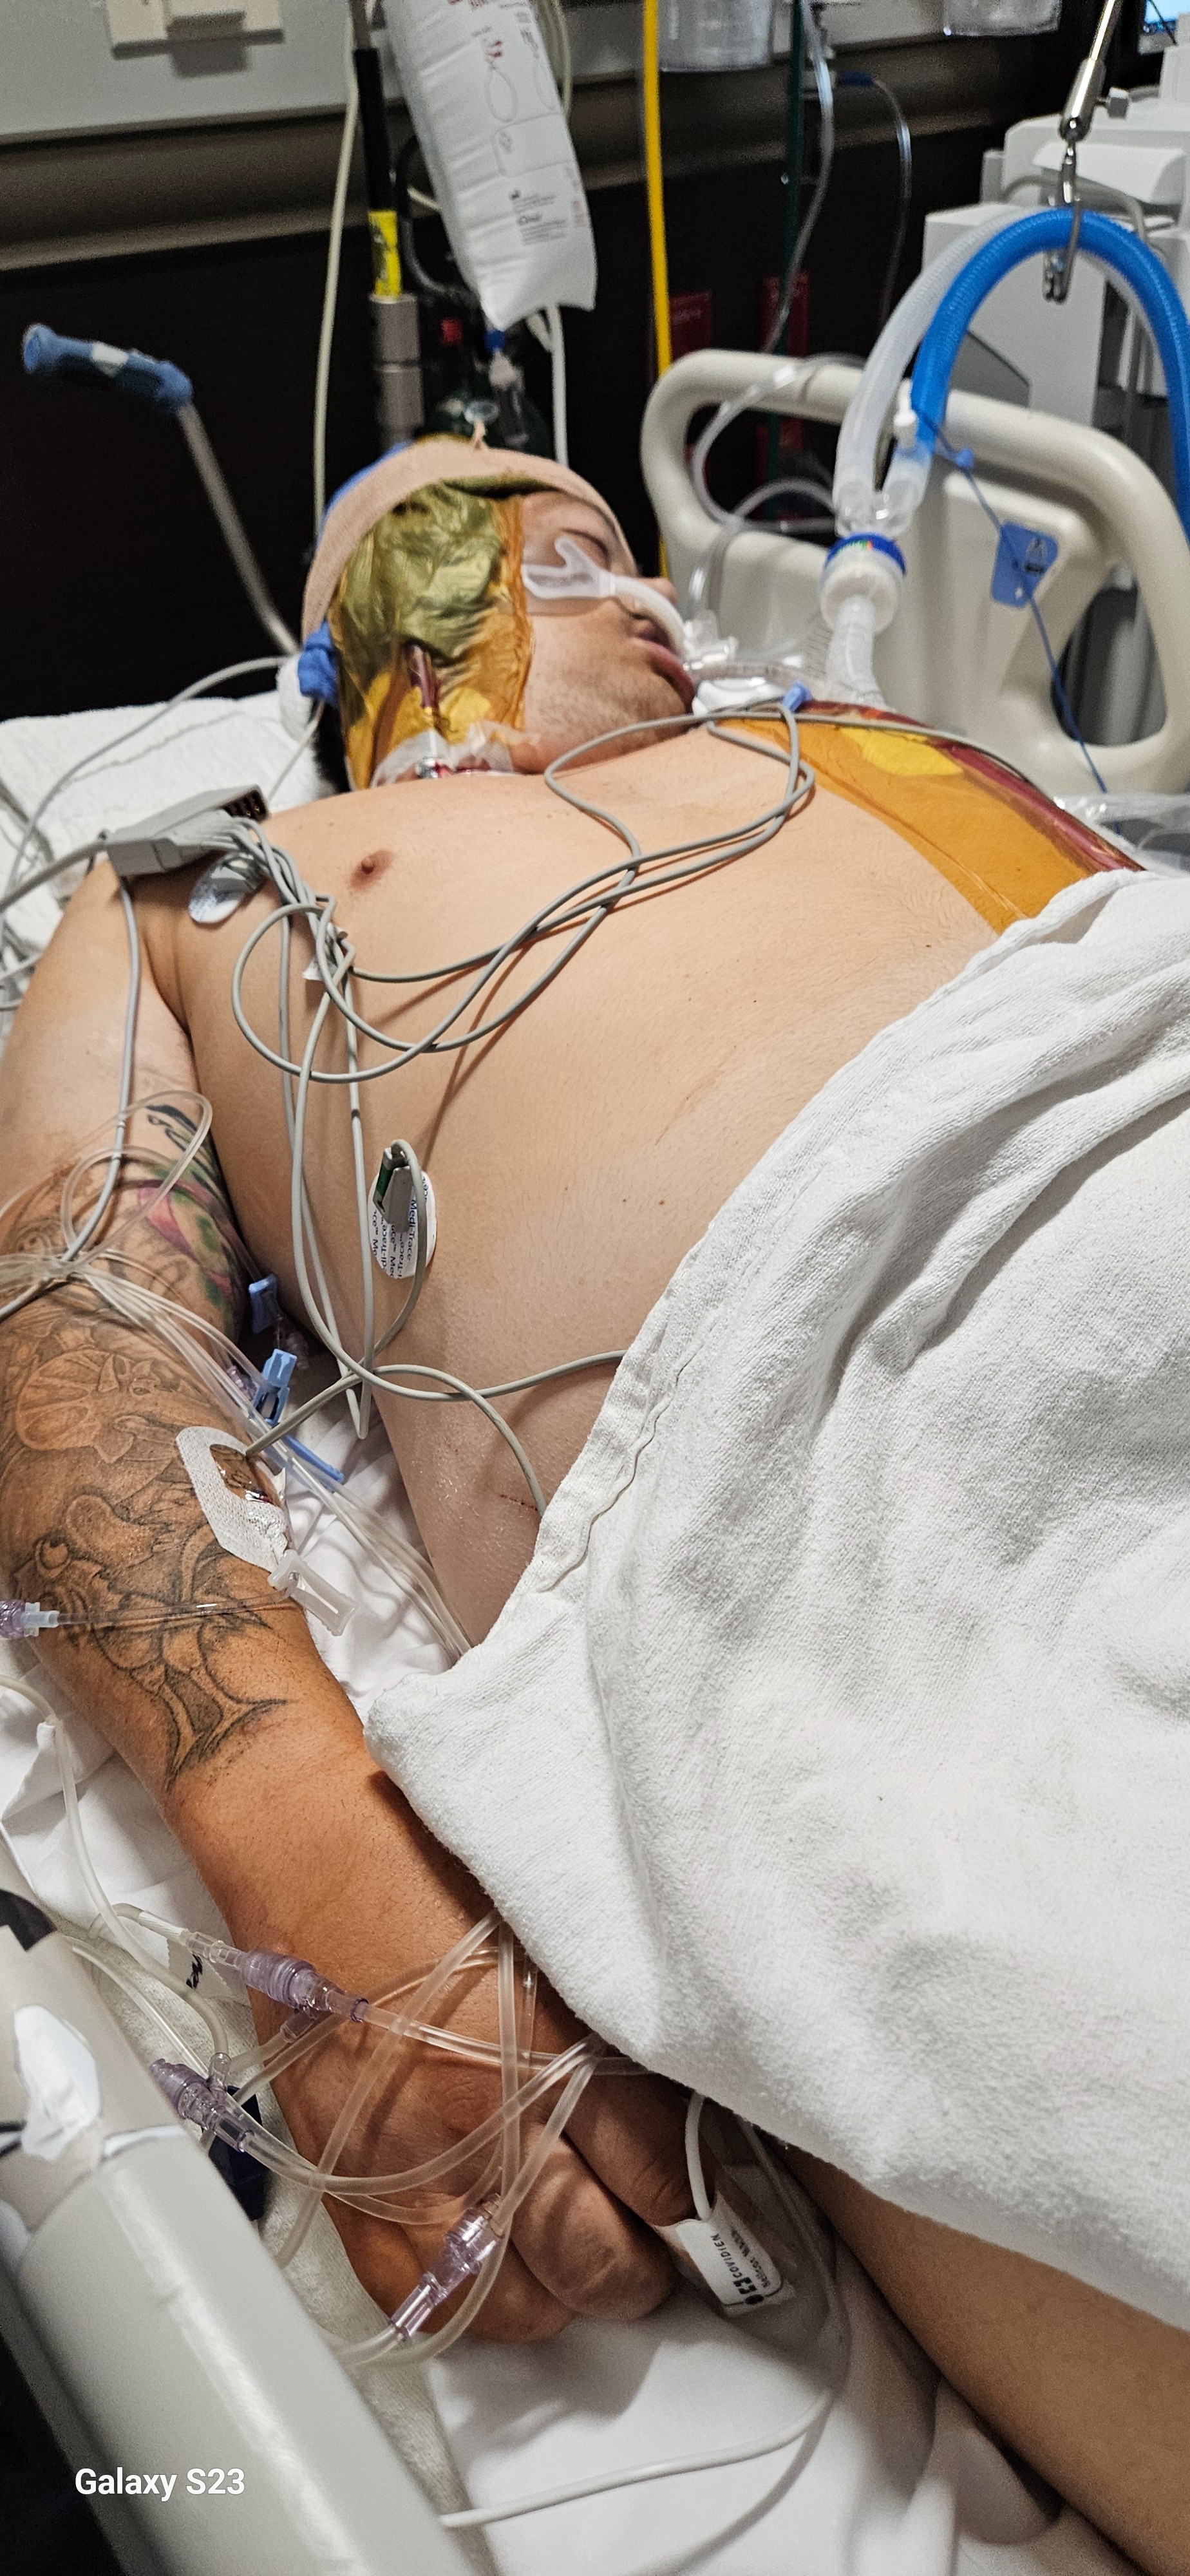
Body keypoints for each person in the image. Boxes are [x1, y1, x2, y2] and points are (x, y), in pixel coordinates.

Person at [0, 442, 1185, 2576]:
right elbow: (75, 1311)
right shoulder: (207, 888)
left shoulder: (874, 746)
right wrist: (310, 1858)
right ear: (364, 635)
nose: (638, 596)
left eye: (631, 556)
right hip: (860, 1428)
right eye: (543, 555)